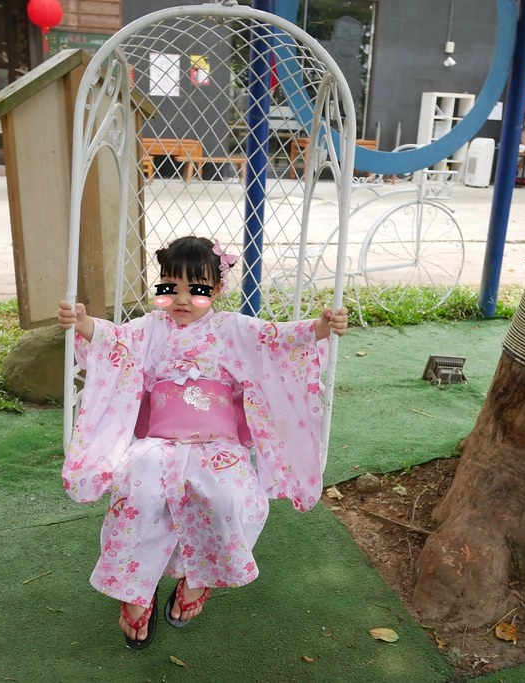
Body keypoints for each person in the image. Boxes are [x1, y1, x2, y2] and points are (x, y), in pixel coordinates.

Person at [57, 236, 347, 650]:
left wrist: (321, 328)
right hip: (160, 442)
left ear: (217, 290)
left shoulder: (232, 329)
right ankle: (134, 585)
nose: (181, 299)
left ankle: (199, 576)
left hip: (217, 444)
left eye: (196, 289)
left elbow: (275, 341)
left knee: (228, 495)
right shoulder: (149, 329)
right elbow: (114, 343)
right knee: (136, 488)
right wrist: (84, 324)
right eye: (169, 287)